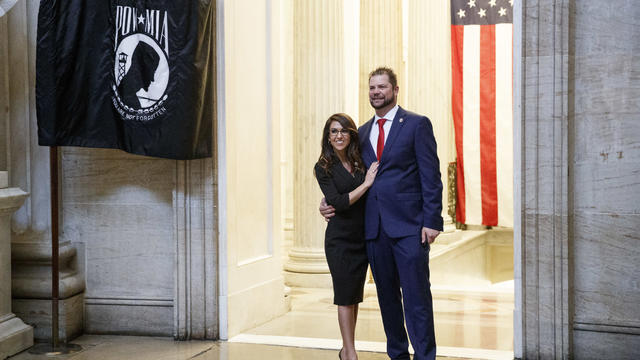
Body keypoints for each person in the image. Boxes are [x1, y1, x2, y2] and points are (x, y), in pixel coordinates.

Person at [320, 67, 443, 360]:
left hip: (410, 228)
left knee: (417, 298)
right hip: (373, 230)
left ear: (395, 90)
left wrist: (432, 221)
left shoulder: (416, 124)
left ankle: (425, 356)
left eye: (382, 87)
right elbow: (349, 178)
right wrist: (328, 202)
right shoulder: (360, 133)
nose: (376, 92)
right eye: (372, 87)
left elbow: (431, 176)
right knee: (387, 299)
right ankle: (397, 354)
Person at [314, 113, 379, 360]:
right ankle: (350, 352)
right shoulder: (323, 167)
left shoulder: (360, 160)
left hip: (361, 238)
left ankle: (346, 349)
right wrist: (366, 184)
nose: (339, 136)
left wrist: (366, 182)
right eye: (333, 132)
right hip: (339, 241)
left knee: (354, 296)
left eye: (343, 131)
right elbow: (339, 203)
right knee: (344, 295)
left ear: (351, 134)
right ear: (328, 138)